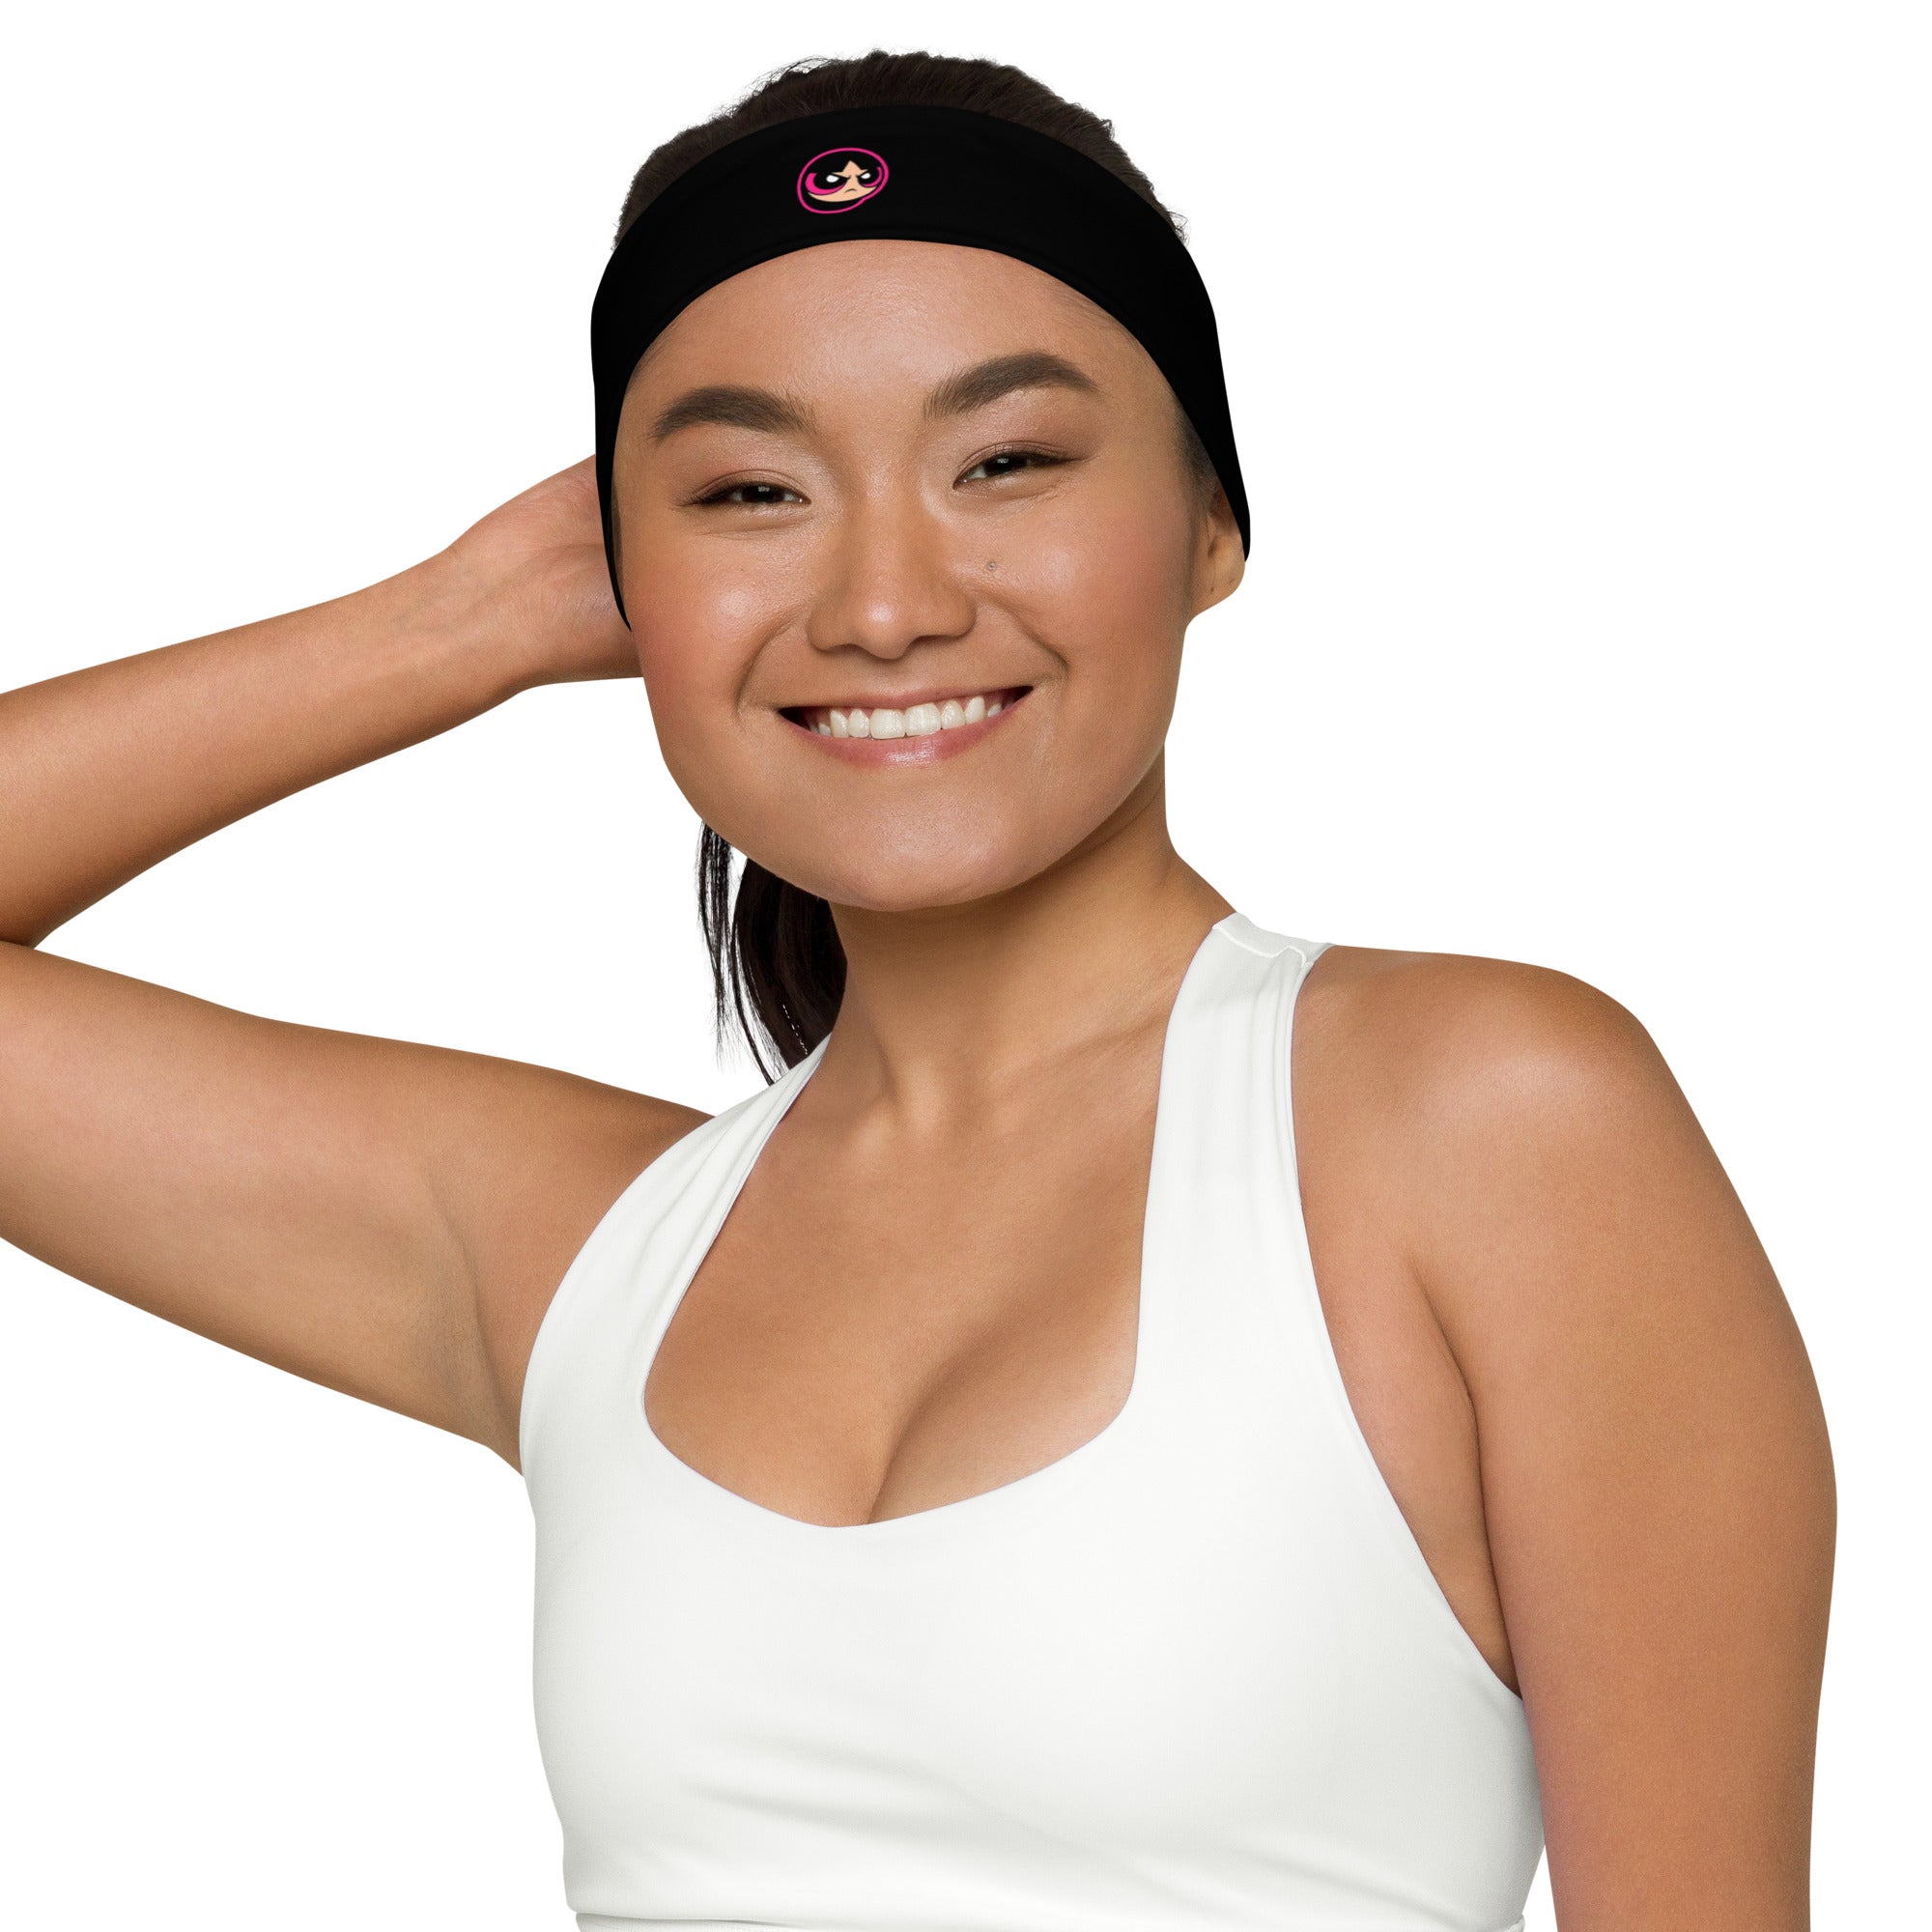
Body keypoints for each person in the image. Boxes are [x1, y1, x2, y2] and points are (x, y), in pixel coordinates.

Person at [0, 49, 1833, 1932]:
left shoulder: (1483, 1122)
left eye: (1007, 461)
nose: (885, 604)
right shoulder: (589, 1258)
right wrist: (450, 623)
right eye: (751, 489)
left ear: (1210, 524)